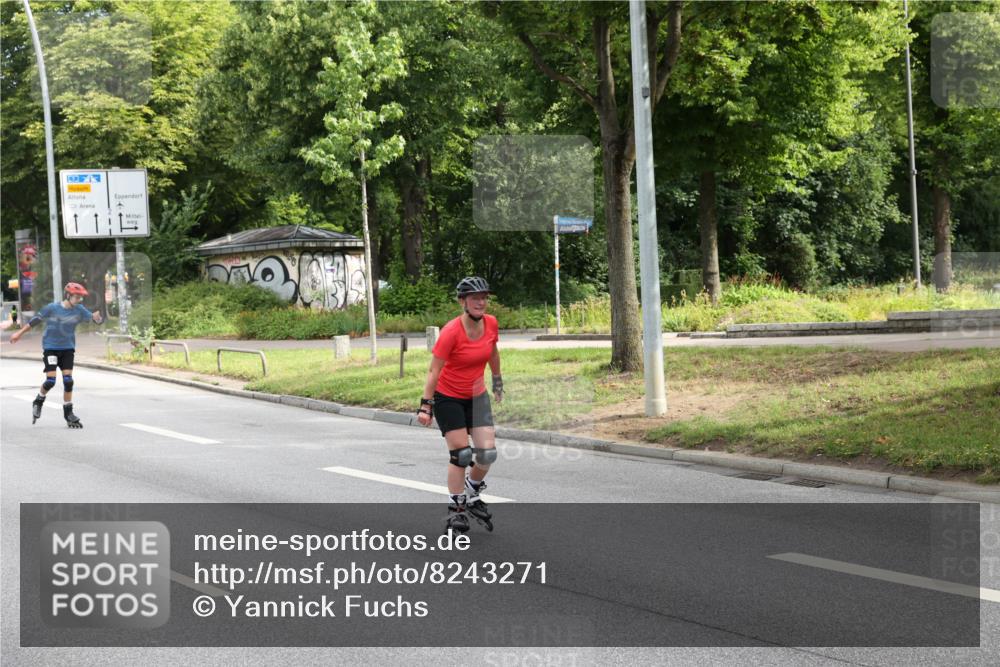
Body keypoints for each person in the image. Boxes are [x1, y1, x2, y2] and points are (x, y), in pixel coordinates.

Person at [417, 276, 503, 533]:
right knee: (462, 455)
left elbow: (493, 352)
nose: (481, 302)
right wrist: (425, 405)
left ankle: (472, 493)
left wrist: (497, 380)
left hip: (477, 395)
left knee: (487, 453)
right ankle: (456, 508)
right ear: (463, 301)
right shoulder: (451, 331)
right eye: (475, 297)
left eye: (484, 297)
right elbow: (434, 371)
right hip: (449, 397)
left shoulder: (491, 324)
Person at [10, 282, 103, 428]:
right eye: (77, 297)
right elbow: (35, 321)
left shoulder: (79, 309)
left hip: (67, 348)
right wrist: (18, 333)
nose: (79, 300)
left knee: (68, 381)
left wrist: (98, 318)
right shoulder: (52, 308)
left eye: (80, 297)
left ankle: (68, 413)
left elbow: (95, 320)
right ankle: (39, 400)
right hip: (51, 348)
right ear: (68, 295)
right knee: (51, 381)